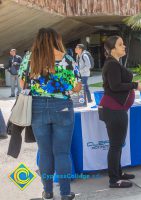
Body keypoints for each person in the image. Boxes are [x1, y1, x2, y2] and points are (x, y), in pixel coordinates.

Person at [18, 28, 82, 200]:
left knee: (45, 152)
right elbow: (77, 86)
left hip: (37, 106)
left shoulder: (30, 58)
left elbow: (22, 82)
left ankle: (47, 192)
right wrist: (63, 86)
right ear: (56, 39)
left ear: (38, 40)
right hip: (62, 106)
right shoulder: (66, 58)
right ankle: (65, 193)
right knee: (62, 153)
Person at [100, 36, 141, 188]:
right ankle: (114, 180)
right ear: (112, 49)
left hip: (115, 109)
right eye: (120, 44)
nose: (124, 46)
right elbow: (115, 86)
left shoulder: (114, 63)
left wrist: (134, 85)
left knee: (118, 144)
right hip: (113, 110)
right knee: (115, 145)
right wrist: (135, 85)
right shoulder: (112, 65)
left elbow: (118, 84)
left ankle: (118, 172)